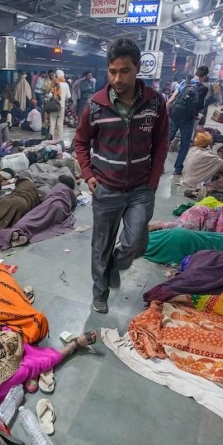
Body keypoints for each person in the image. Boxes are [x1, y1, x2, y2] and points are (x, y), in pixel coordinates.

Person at [74, 38, 169, 314]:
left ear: (137, 68)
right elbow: (80, 142)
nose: (118, 78)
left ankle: (118, 263)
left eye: (125, 71)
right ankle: (100, 291)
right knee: (101, 245)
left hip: (141, 189)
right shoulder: (95, 106)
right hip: (106, 188)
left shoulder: (154, 103)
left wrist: (152, 184)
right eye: (112, 71)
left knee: (136, 241)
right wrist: (88, 173)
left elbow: (161, 144)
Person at [167, 65, 209, 175]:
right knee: (185, 144)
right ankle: (178, 168)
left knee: (166, 140)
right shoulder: (202, 88)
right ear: (204, 76)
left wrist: (169, 111)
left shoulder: (184, 83)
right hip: (188, 119)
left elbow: (172, 99)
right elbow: (200, 106)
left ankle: (158, 165)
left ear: (196, 72)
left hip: (175, 115)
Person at [47, 69, 71, 141]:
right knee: (60, 124)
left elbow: (49, 96)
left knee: (52, 123)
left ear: (56, 75)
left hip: (54, 106)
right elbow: (69, 96)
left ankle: (51, 138)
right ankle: (60, 139)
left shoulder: (54, 83)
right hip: (62, 107)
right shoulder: (66, 84)